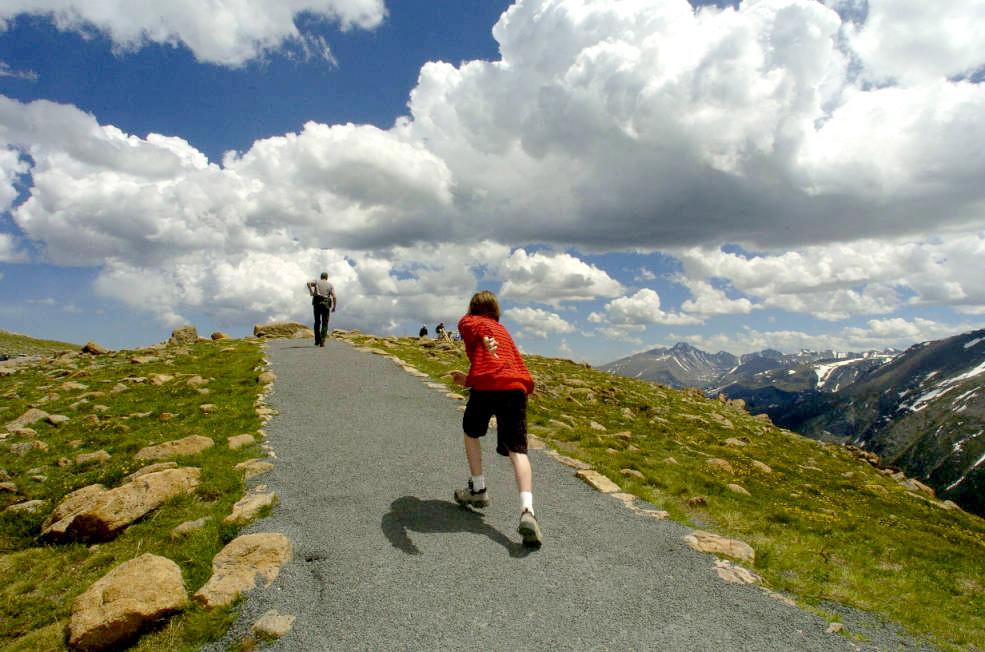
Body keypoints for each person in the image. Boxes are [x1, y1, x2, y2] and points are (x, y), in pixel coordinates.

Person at [450, 290, 541, 546]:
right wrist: (468, 379)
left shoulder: (471, 321)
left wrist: (478, 331)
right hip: (515, 388)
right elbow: (499, 365)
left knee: (471, 432)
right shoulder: (504, 331)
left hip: (487, 388)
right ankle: (527, 511)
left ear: (473, 308)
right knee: (518, 450)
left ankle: (478, 489)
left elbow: (474, 331)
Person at [305, 272, 336, 347]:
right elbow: (334, 297)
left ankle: (317, 340)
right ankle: (322, 341)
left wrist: (311, 290)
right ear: (327, 277)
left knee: (317, 322)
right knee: (325, 323)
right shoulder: (330, 285)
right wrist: (334, 307)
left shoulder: (316, 282)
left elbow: (308, 283)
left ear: (321, 277)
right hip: (326, 304)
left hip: (317, 304)